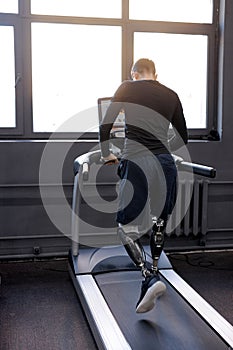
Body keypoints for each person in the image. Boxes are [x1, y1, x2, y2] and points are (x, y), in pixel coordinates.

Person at [99, 58, 188, 313]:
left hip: (136, 160)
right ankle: (154, 274)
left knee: (124, 227)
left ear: (134, 74)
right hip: (165, 163)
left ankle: (148, 276)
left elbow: (106, 125)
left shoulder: (127, 87)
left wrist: (107, 154)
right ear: (156, 75)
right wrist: (165, 151)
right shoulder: (171, 95)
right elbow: (183, 136)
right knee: (158, 222)